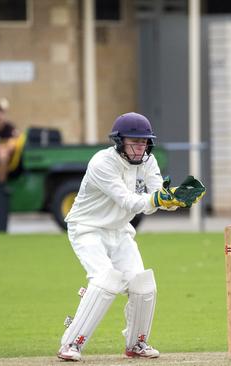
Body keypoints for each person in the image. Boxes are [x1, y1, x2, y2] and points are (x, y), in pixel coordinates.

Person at [57, 112, 205, 362]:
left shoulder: (148, 161)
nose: (140, 147)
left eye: (144, 142)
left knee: (143, 285)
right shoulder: (102, 163)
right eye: (134, 142)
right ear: (119, 141)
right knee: (105, 281)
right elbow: (127, 200)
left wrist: (174, 199)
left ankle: (136, 343)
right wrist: (158, 199)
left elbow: (157, 195)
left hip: (120, 231)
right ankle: (71, 344)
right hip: (87, 228)